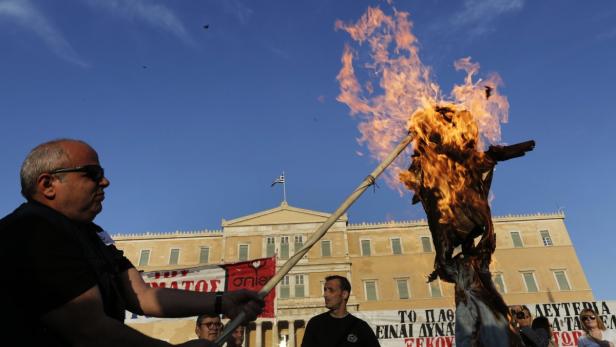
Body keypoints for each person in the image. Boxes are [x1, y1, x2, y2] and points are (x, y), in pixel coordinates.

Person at [0, 139, 264, 347]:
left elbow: (144, 296)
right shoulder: (33, 229)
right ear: (48, 184)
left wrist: (222, 302)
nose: (105, 181)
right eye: (92, 173)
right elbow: (88, 330)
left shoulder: (94, 236)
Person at [301, 275, 380, 347]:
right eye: (325, 290)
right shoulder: (315, 323)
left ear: (344, 294)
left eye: (331, 290)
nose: (325, 294)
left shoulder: (360, 326)